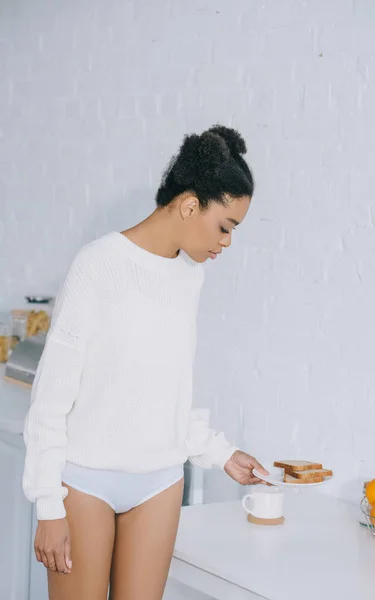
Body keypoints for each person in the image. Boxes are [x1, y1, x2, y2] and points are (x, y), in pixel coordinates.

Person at [23, 124, 269, 600]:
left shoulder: (188, 277)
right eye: (225, 227)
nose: (227, 244)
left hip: (159, 482)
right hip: (85, 482)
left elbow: (163, 388)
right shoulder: (97, 266)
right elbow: (51, 397)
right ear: (190, 204)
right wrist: (48, 507)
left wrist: (221, 453)